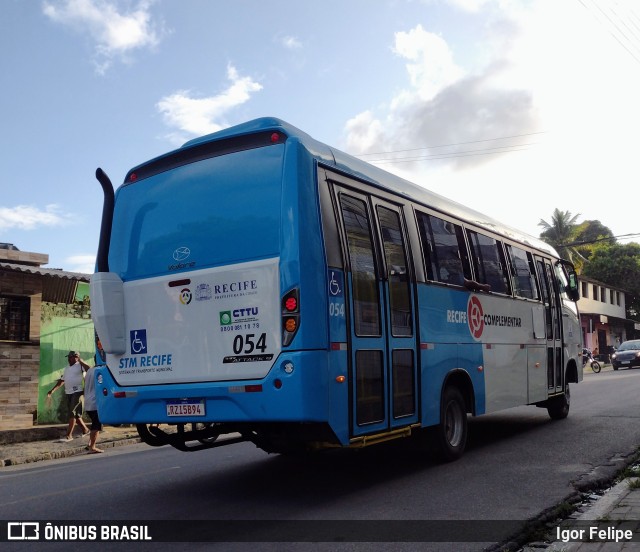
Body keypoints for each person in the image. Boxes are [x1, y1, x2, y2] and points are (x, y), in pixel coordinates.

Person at [47, 351, 90, 441]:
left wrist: (81, 361)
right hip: (68, 393)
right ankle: (85, 430)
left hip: (77, 392)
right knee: (76, 415)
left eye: (70, 357)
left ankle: (69, 435)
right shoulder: (67, 368)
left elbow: (89, 369)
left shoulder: (80, 365)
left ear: (76, 357)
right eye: (68, 357)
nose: (68, 359)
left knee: (72, 414)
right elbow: (62, 381)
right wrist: (52, 390)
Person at [83, 362, 103, 453]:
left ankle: (90, 444)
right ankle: (92, 447)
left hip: (87, 402)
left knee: (94, 424)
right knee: (96, 425)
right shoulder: (100, 371)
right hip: (95, 402)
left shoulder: (90, 371)